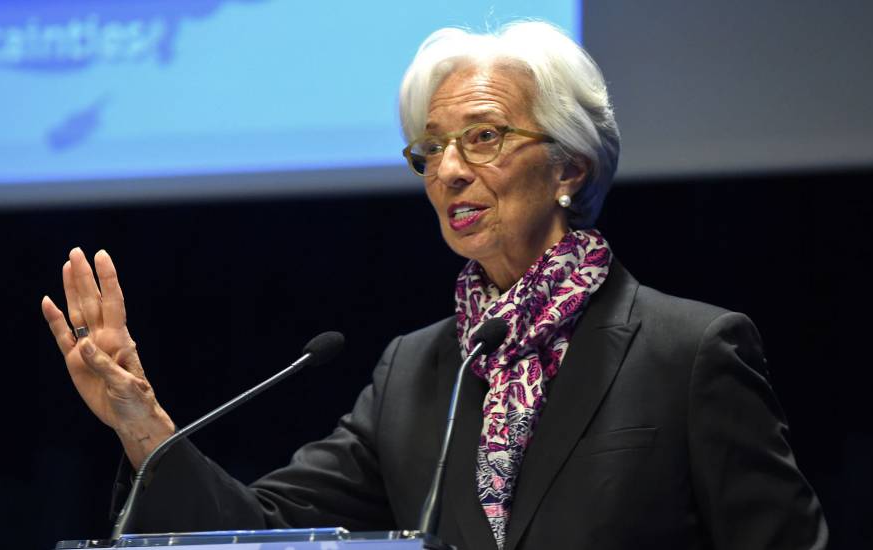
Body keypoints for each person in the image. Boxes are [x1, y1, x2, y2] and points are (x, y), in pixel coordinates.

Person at [41, 21, 828, 550]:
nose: (448, 170)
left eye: (483, 137)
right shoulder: (416, 373)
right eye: (431, 148)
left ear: (569, 165)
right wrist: (142, 423)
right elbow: (265, 532)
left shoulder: (689, 352)